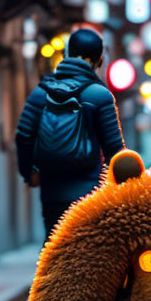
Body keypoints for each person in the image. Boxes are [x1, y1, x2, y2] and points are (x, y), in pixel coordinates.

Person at [15, 27, 126, 238]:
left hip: (51, 190)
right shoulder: (99, 96)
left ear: (65, 55)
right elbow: (115, 152)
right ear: (99, 61)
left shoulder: (41, 93)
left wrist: (29, 173)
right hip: (89, 193)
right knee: (85, 254)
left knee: (53, 249)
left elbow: (23, 136)